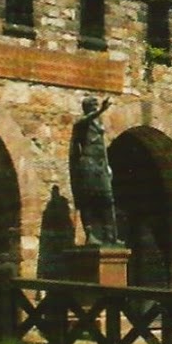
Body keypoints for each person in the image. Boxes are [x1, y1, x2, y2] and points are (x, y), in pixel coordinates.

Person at [69, 96, 120, 245]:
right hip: (87, 163)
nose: (95, 108)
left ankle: (110, 234)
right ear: (87, 108)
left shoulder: (98, 123)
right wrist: (102, 110)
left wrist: (107, 165)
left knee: (107, 199)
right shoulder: (81, 123)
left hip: (100, 164)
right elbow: (86, 120)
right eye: (93, 106)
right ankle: (90, 233)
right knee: (88, 200)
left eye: (96, 105)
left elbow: (102, 146)